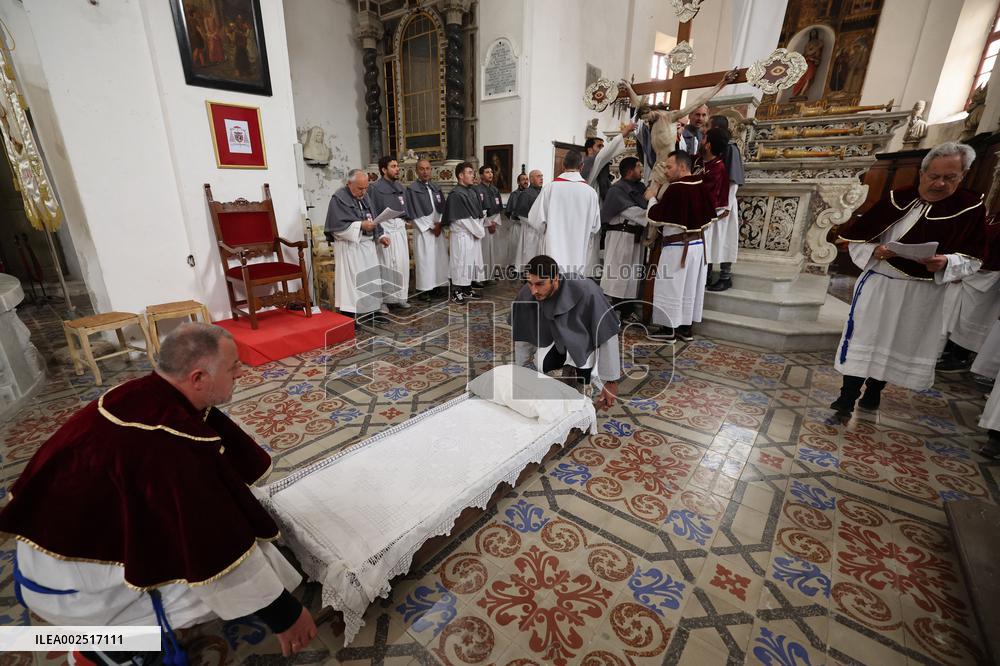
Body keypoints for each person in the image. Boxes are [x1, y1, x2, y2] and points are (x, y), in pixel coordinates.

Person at [0, 324, 317, 664]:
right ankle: (108, 646)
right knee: (221, 582)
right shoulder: (170, 449)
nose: (243, 371)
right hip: (76, 587)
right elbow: (216, 551)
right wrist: (285, 615)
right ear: (198, 378)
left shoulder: (146, 393)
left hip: (50, 555)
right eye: (233, 366)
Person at [830, 142, 986, 416]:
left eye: (950, 178)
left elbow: (974, 258)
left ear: (963, 176)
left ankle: (875, 391)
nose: (939, 184)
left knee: (898, 342)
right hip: (880, 283)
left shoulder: (970, 208)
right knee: (863, 339)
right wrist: (874, 250)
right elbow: (857, 239)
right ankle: (846, 398)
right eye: (933, 176)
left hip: (922, 291)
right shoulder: (895, 198)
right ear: (921, 173)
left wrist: (946, 261)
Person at [510, 254, 622, 410]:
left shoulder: (587, 291)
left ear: (555, 279)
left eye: (540, 284)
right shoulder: (527, 295)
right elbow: (523, 335)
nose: (534, 290)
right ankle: (562, 375)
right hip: (552, 341)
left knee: (582, 385)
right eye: (529, 283)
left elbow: (607, 334)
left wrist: (611, 382)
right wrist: (519, 370)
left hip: (585, 344)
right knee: (545, 371)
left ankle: (583, 386)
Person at [620, 70, 738, 199]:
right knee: (648, 199)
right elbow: (638, 106)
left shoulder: (670, 117)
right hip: (658, 167)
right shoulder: (651, 121)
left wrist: (722, 83)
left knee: (665, 200)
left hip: (671, 168)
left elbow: (698, 101)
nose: (644, 118)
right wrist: (629, 88)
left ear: (652, 110)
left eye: (645, 114)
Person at [647, 151, 717, 342]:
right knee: (689, 288)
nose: (667, 171)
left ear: (683, 166)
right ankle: (685, 329)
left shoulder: (676, 188)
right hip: (697, 247)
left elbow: (656, 216)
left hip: (677, 248)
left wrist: (652, 198)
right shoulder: (701, 185)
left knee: (670, 287)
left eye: (669, 167)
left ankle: (668, 330)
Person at [325, 169, 390, 324]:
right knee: (352, 283)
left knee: (371, 280)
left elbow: (373, 218)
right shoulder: (338, 199)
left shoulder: (365, 197)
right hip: (350, 247)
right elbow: (337, 227)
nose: (363, 192)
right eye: (360, 188)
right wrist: (360, 225)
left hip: (367, 247)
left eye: (366, 187)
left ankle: (371, 312)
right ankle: (349, 317)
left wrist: (381, 236)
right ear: (349, 184)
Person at [937, 216, 1000, 372]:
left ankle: (960, 357)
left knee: (972, 317)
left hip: (986, 278)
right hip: (970, 271)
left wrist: (966, 273)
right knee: (955, 315)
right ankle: (949, 350)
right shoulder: (992, 217)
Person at [527, 150, 600, 276]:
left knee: (554, 278)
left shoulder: (550, 188)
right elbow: (595, 226)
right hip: (578, 248)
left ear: (563, 165)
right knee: (574, 279)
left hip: (553, 246)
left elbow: (535, 219)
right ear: (581, 166)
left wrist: (548, 232)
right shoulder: (590, 192)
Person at [599, 156, 648, 319]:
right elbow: (634, 213)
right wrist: (654, 210)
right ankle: (615, 309)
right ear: (629, 171)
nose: (641, 170)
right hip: (620, 237)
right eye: (638, 167)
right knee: (618, 275)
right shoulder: (616, 190)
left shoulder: (640, 188)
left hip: (635, 237)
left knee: (632, 275)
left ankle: (627, 309)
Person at [706, 117, 745, 292]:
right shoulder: (710, 148)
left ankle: (725, 276)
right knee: (710, 239)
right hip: (712, 201)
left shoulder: (730, 148)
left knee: (724, 238)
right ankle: (706, 275)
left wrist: (727, 205)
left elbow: (733, 179)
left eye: (708, 126)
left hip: (725, 202)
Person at [369, 156, 411, 310]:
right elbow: (372, 211)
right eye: (393, 166)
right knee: (386, 264)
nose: (397, 169)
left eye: (397, 166)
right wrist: (379, 233)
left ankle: (400, 296)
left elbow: (405, 209)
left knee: (401, 263)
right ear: (383, 170)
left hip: (399, 228)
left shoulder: (401, 187)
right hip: (385, 228)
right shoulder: (374, 188)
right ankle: (384, 301)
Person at [405, 158, 449, 299]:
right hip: (424, 231)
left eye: (427, 168)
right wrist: (430, 226)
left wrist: (440, 224)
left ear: (431, 170)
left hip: (438, 229)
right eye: (422, 169)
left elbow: (443, 207)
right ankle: (425, 290)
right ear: (417, 171)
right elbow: (412, 211)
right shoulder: (412, 189)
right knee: (425, 260)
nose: (425, 171)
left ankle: (438, 285)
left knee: (438, 258)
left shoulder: (436, 187)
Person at [443, 161, 486, 304]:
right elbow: (462, 220)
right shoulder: (456, 194)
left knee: (470, 263)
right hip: (462, 235)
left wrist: (477, 229)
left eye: (473, 172)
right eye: (469, 172)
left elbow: (475, 215)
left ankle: (467, 288)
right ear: (460, 175)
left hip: (471, 234)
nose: (473, 175)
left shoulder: (471, 191)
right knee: (459, 263)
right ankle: (456, 291)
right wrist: (478, 231)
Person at [699, 128, 732, 289]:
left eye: (704, 138)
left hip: (702, 223)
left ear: (709, 145)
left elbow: (709, 200)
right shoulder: (698, 160)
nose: (700, 140)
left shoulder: (718, 170)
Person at [476, 165, 503, 281]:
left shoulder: (495, 190)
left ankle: (491, 274)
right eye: (487, 172)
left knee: (494, 251)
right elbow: (478, 210)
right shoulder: (477, 190)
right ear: (481, 175)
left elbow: (498, 208)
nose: (490, 174)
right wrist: (488, 223)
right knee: (484, 252)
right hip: (483, 225)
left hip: (494, 223)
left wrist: (495, 223)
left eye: (491, 172)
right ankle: (483, 276)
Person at [514, 170, 544, 272]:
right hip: (530, 230)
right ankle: (528, 274)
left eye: (542, 176)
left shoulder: (543, 192)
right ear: (531, 179)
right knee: (529, 254)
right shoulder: (526, 194)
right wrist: (536, 224)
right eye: (538, 176)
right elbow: (521, 214)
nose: (541, 178)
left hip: (541, 230)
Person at [503, 173, 531, 273]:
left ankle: (525, 267)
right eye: (523, 179)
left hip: (529, 226)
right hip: (517, 225)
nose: (526, 181)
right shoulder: (514, 194)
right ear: (518, 182)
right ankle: (514, 267)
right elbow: (511, 211)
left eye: (527, 179)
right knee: (515, 247)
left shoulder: (531, 193)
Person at [791, 29, 824, 98]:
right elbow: (805, 54)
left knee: (808, 78)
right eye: (812, 33)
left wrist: (813, 58)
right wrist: (804, 58)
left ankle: (802, 93)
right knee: (800, 78)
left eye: (814, 32)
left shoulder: (818, 43)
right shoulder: (807, 44)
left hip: (811, 63)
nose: (813, 34)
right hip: (805, 63)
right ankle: (797, 93)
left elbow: (818, 55)